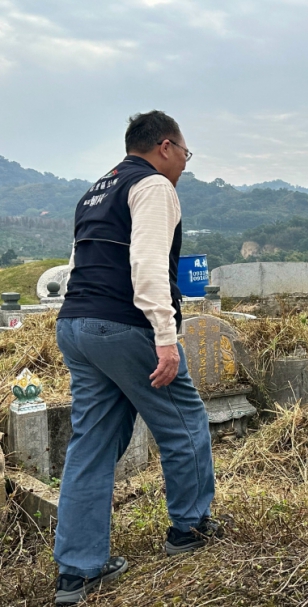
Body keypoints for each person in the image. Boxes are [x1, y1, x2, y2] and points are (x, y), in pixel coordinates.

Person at [53, 111, 218, 605]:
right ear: (165, 146)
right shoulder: (152, 187)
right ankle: (190, 529)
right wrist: (165, 338)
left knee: (93, 441)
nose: (185, 164)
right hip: (124, 325)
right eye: (186, 153)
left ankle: (77, 572)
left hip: (75, 325)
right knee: (183, 422)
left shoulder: (95, 191)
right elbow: (146, 263)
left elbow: (79, 262)